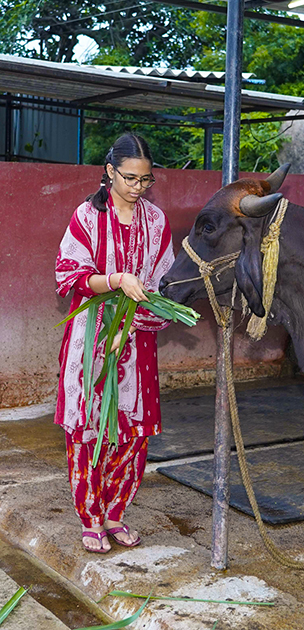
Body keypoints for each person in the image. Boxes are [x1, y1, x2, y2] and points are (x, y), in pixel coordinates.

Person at [55, 133, 174, 553]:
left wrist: (150, 301)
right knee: (90, 425)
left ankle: (115, 513)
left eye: (146, 180)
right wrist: (117, 281)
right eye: (129, 178)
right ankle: (90, 516)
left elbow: (162, 279)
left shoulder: (156, 221)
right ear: (109, 172)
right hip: (91, 337)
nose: (138, 188)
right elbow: (70, 274)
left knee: (132, 429)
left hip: (136, 339)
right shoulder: (87, 216)